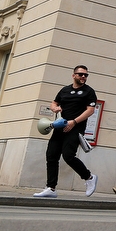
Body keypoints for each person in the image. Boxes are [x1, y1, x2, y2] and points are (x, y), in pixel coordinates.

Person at [34, 66, 99, 198]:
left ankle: (89, 177)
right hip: (59, 127)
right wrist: (55, 108)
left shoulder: (89, 92)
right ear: (73, 75)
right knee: (51, 155)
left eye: (86, 75)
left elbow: (90, 110)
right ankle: (51, 188)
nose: (83, 77)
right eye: (81, 74)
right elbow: (54, 103)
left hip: (75, 128)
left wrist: (74, 122)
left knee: (68, 155)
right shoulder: (65, 90)